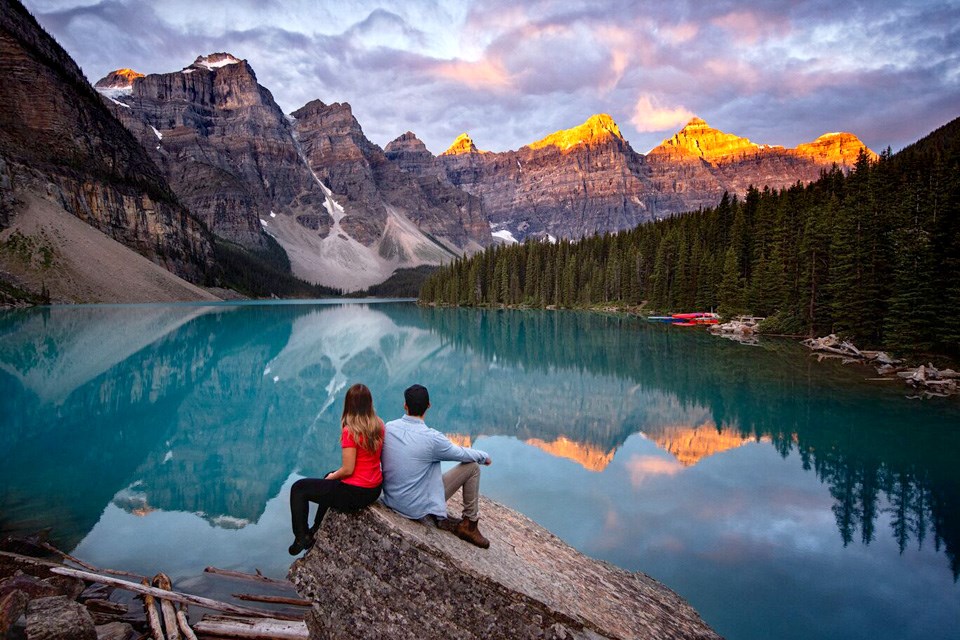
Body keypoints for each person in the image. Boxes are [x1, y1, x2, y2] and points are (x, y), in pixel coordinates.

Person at [380, 384, 492, 548]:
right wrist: (484, 457)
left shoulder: (388, 428)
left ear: (405, 405)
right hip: (415, 509)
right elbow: (461, 453)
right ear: (428, 406)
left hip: (391, 500)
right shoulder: (432, 439)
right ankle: (469, 525)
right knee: (473, 467)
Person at [288, 383, 384, 555]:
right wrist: (331, 477)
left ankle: (301, 537)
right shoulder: (379, 424)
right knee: (328, 478)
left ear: (349, 404)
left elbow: (348, 470)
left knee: (298, 489)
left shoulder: (351, 431)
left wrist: (332, 477)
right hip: (374, 488)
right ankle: (315, 529)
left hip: (356, 494)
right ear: (369, 403)